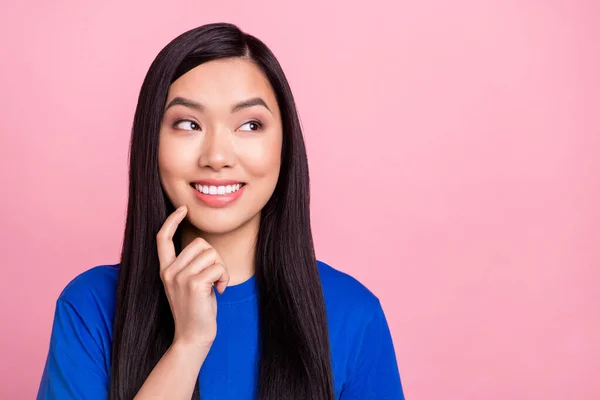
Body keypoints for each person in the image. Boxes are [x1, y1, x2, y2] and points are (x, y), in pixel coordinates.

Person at [36, 22, 405, 400]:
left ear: (285, 145)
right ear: (152, 143)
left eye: (249, 125)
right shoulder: (90, 307)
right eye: (188, 124)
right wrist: (189, 344)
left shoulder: (353, 315)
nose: (216, 157)